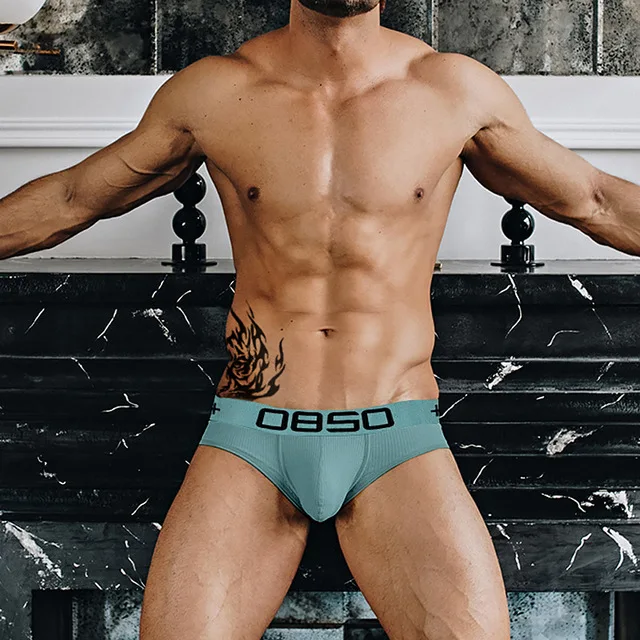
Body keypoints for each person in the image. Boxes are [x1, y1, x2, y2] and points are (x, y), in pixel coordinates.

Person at [1, 1, 638, 638]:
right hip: (253, 435)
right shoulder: (214, 93)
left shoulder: (454, 92)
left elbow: (596, 199)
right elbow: (73, 197)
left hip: (397, 435)